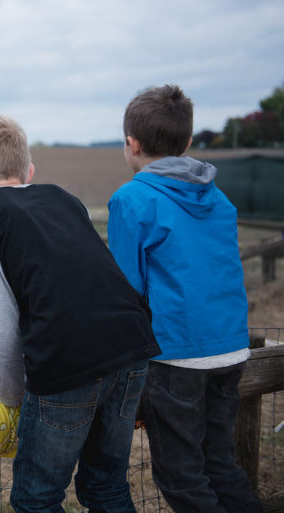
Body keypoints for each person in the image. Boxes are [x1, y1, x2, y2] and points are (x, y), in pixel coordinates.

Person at [0, 113, 160, 513]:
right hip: (133, 346)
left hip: (70, 359)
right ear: (28, 171)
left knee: (36, 498)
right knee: (106, 485)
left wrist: (12, 396)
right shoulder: (63, 199)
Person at [107, 84, 264, 513]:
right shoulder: (220, 198)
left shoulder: (132, 199)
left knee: (181, 476)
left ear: (131, 143)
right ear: (188, 142)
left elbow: (127, 290)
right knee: (220, 463)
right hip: (230, 346)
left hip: (176, 355)